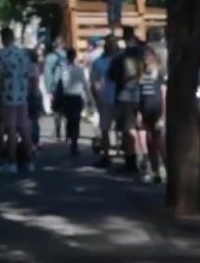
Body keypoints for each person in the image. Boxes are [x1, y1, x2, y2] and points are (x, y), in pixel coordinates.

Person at [0, 30, 37, 175]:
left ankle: (12, 162)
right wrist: (32, 91)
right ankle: (29, 161)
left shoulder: (1, 55)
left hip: (8, 95)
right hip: (22, 96)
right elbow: (31, 75)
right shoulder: (23, 54)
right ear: (13, 38)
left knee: (11, 129)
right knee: (24, 127)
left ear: (4, 38)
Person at [113, 26, 149, 175]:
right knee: (142, 128)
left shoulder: (121, 56)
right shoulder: (144, 52)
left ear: (124, 38)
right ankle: (146, 157)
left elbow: (112, 75)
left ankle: (131, 160)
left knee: (129, 128)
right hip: (143, 93)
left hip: (126, 95)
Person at [136, 33, 167, 184]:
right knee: (149, 142)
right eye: (144, 59)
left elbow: (164, 95)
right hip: (145, 111)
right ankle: (155, 171)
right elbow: (139, 95)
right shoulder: (142, 76)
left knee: (160, 141)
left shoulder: (159, 75)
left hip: (157, 111)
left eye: (148, 58)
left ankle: (166, 168)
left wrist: (163, 115)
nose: (146, 61)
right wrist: (139, 113)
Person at [51, 44, 88, 156]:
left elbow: (56, 82)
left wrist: (54, 94)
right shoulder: (79, 69)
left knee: (69, 119)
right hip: (77, 97)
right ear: (75, 57)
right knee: (76, 121)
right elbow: (85, 85)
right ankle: (74, 143)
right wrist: (88, 98)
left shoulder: (62, 68)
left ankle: (69, 137)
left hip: (66, 97)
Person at [89, 37, 118, 166]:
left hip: (105, 98)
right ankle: (129, 156)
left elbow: (95, 83)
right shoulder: (120, 60)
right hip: (120, 98)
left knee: (105, 129)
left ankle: (106, 156)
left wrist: (97, 99)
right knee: (125, 129)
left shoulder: (98, 62)